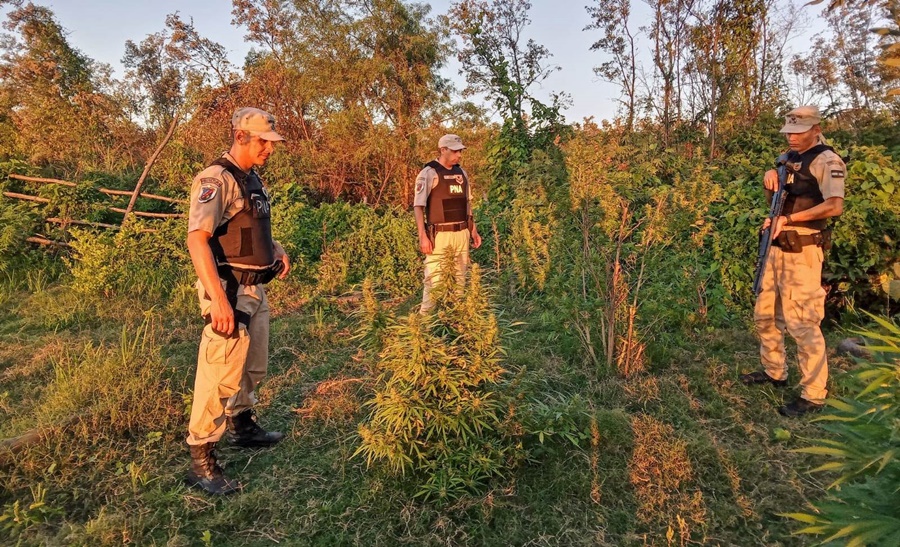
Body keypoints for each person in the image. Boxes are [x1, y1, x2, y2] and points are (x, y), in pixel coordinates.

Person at [184, 107, 291, 494]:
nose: (269, 149)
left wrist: (275, 248)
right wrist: (217, 299)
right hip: (229, 289)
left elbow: (252, 226)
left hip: (255, 289)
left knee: (252, 366)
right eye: (263, 141)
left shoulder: (252, 179)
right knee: (218, 374)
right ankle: (201, 460)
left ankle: (242, 426)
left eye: (272, 142)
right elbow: (197, 239)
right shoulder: (216, 179)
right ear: (240, 136)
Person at [741, 105, 846, 417]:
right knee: (765, 314)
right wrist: (769, 180)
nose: (792, 138)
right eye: (788, 132)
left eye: (798, 132)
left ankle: (813, 395)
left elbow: (834, 206)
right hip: (775, 246)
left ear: (816, 129)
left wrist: (788, 220)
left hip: (803, 250)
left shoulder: (827, 160)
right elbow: (777, 202)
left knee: (802, 322)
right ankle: (774, 371)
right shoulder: (786, 159)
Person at [413, 134, 482, 313]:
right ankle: (426, 321)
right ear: (443, 150)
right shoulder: (429, 173)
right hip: (440, 236)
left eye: (460, 151)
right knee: (434, 281)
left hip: (462, 234)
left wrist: (473, 230)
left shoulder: (462, 173)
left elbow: (467, 204)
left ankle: (454, 319)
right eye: (455, 151)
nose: (459, 155)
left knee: (459, 281)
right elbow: (418, 207)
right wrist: (423, 236)